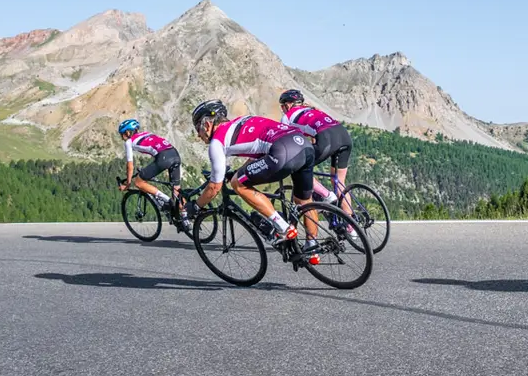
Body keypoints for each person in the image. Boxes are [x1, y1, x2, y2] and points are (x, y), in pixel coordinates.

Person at [189, 99, 320, 254]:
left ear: (207, 124)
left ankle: (283, 227)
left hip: (283, 151)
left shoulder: (217, 142)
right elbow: (258, 152)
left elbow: (214, 187)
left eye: (198, 128)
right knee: (304, 201)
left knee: (237, 184)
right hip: (304, 146)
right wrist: (239, 170)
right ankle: (312, 249)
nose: (198, 135)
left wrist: (196, 206)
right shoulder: (243, 121)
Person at [277, 89, 354, 214]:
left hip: (327, 138)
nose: (283, 109)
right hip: (344, 135)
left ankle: (327, 195)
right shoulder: (313, 110)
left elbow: (292, 141)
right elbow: (314, 135)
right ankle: (352, 229)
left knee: (299, 168)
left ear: (288, 104)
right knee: (339, 183)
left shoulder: (287, 117)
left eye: (282, 106)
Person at [117, 118, 190, 228]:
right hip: (174, 154)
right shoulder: (146, 134)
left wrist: (128, 183)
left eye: (122, 134)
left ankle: (166, 200)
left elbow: (129, 165)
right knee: (176, 190)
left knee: (138, 182)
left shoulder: (129, 142)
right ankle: (185, 218)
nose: (122, 137)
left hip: (163, 158)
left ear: (128, 132)